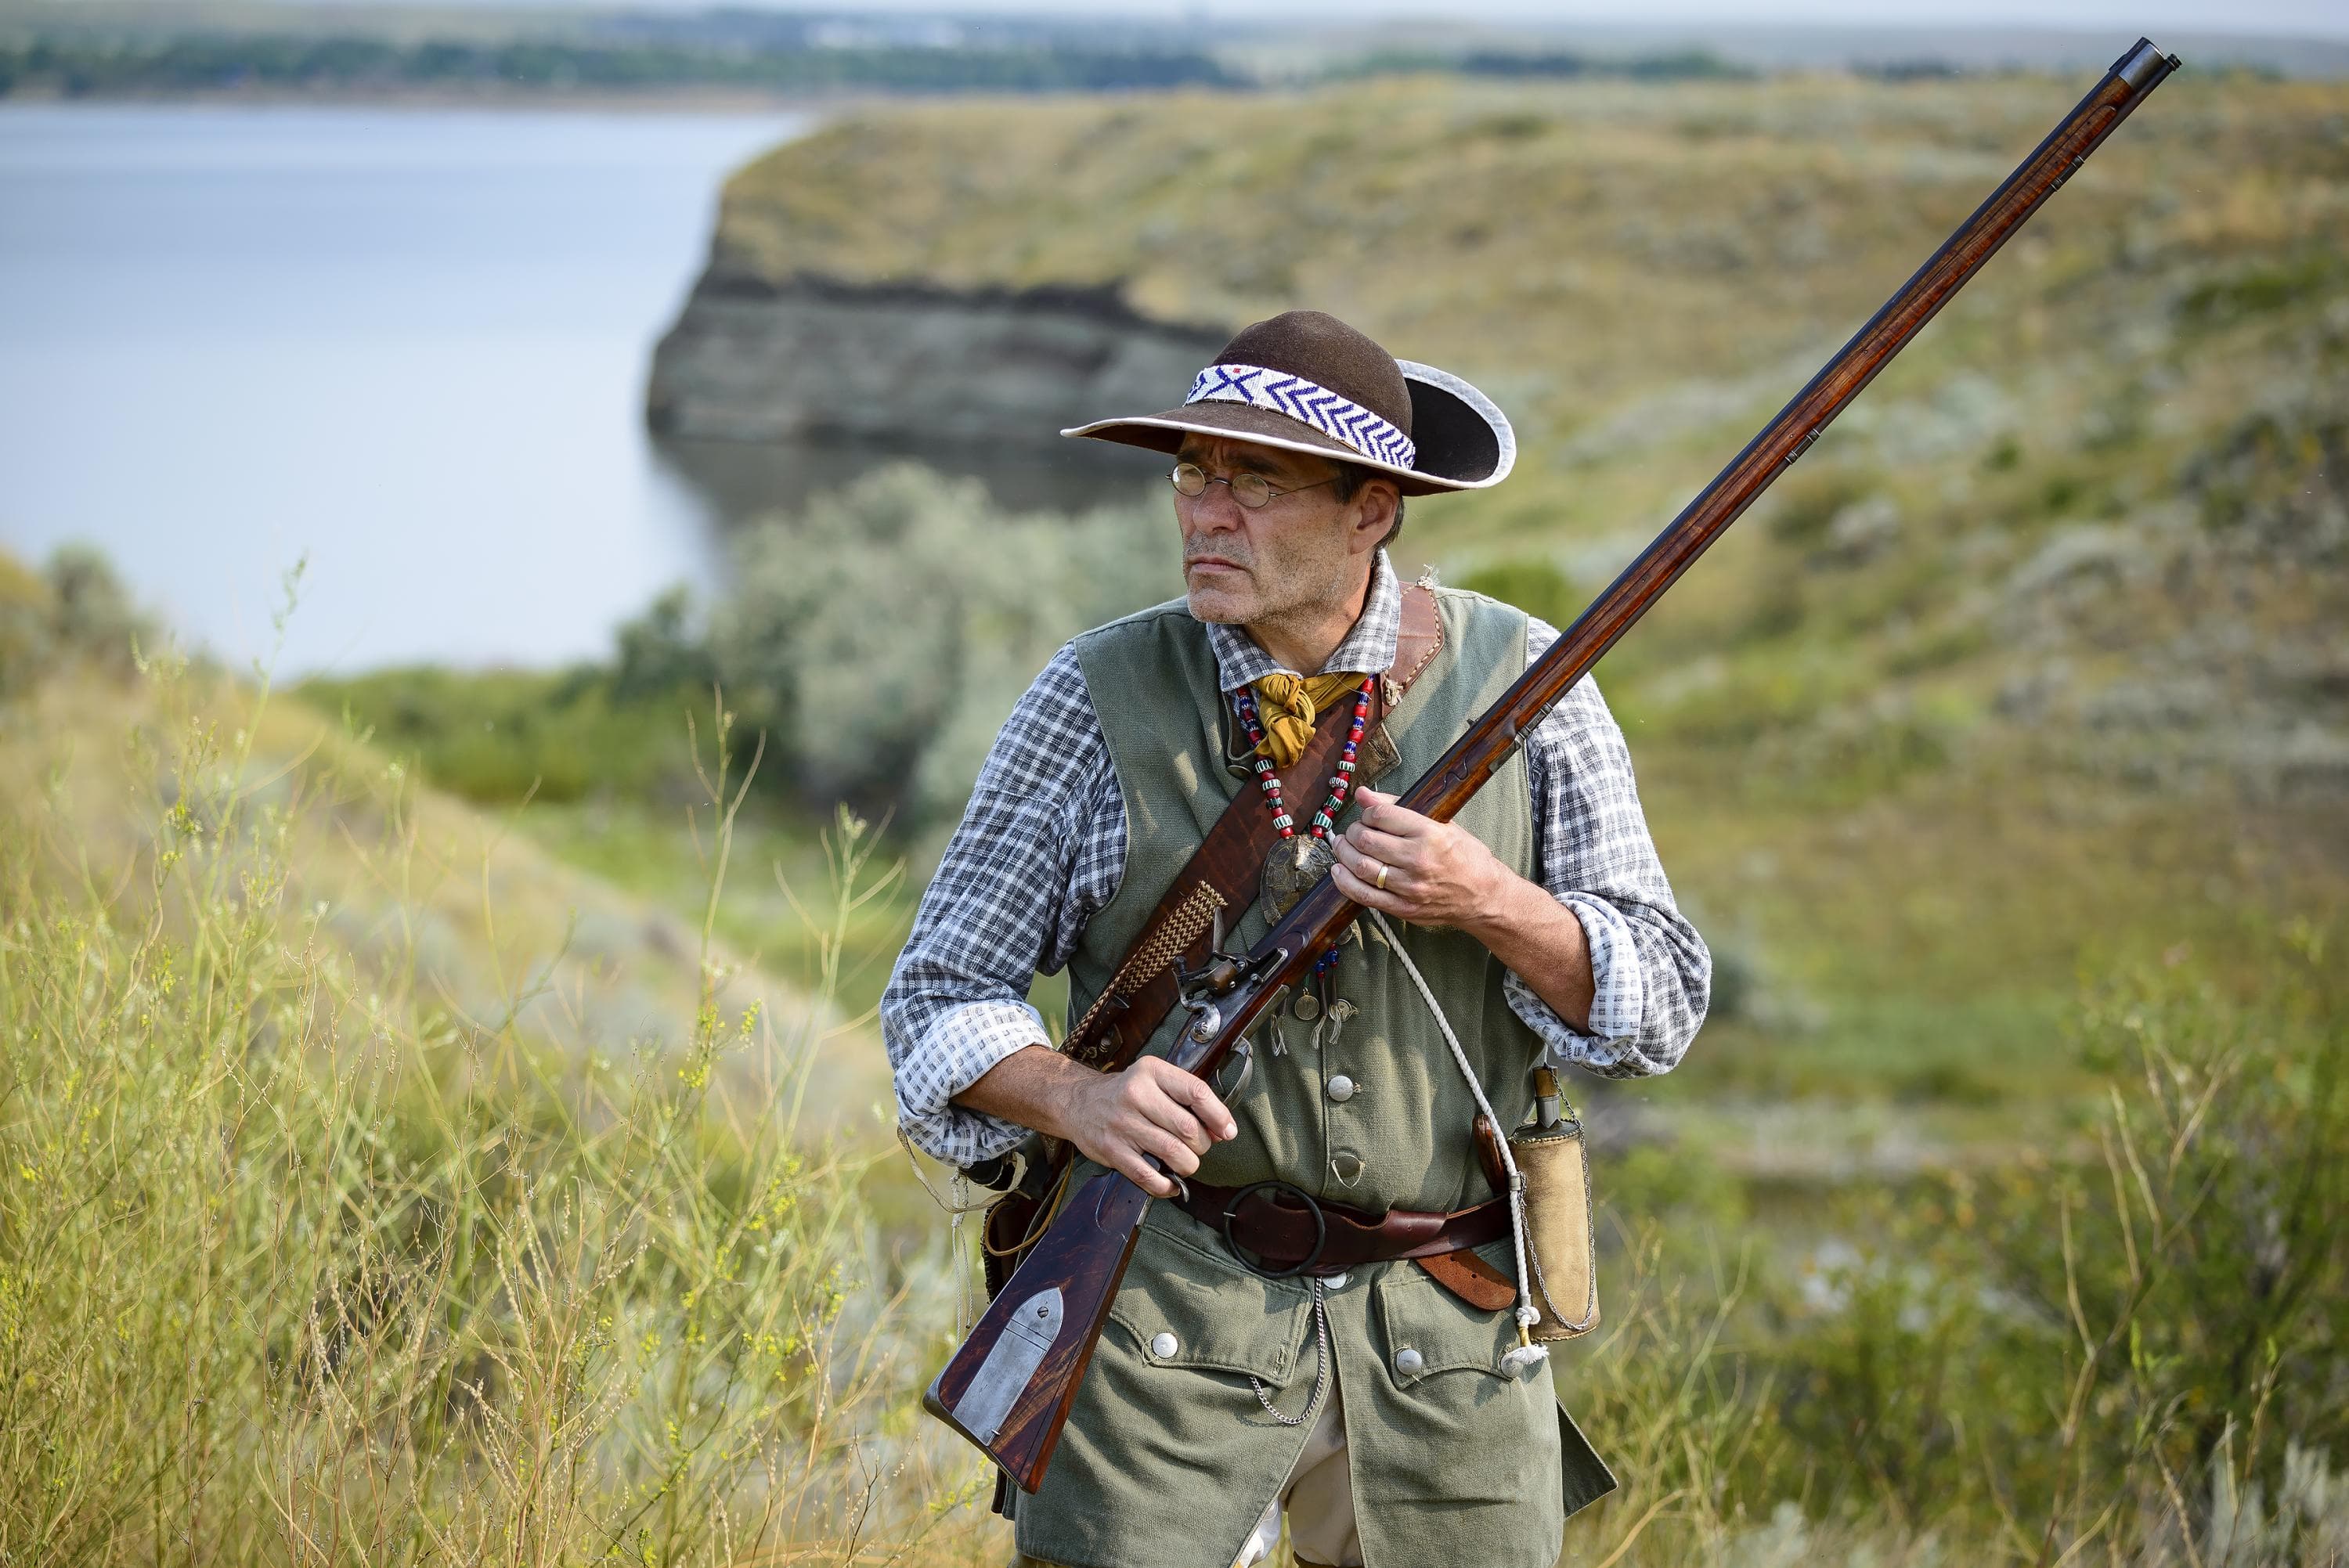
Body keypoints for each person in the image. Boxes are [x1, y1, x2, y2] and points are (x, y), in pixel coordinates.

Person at [884, 309, 1710, 1568]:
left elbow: (1660, 1004)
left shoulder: (1532, 681)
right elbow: (937, 997)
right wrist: (1078, 1100)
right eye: (1192, 474)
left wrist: (1490, 899)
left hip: (1453, 1350)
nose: (1205, 514)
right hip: (1160, 1328)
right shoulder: (1092, 694)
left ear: (1372, 509)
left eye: (1255, 481)